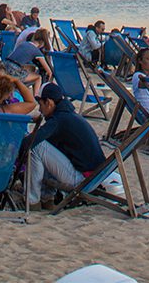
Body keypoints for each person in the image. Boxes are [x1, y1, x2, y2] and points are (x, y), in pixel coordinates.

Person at [27, 81, 105, 211]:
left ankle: (32, 201)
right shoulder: (68, 115)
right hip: (94, 178)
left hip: (82, 180)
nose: (40, 110)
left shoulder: (58, 120)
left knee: (36, 146)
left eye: (41, 105)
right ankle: (47, 199)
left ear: (49, 103)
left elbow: (32, 142)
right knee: (47, 145)